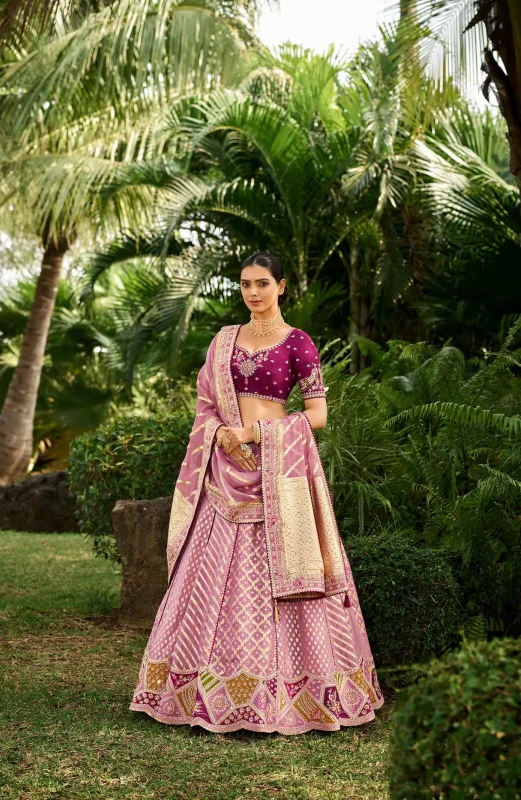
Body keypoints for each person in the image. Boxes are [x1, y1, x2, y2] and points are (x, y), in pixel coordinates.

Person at [129, 252, 384, 734]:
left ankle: (296, 696)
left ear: (282, 286)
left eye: (263, 283)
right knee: (206, 582)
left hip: (276, 477)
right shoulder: (223, 341)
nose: (253, 292)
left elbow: (318, 416)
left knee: (279, 581)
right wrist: (221, 433)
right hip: (223, 471)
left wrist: (256, 435)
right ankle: (197, 691)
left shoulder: (298, 343)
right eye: (245, 284)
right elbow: (207, 405)